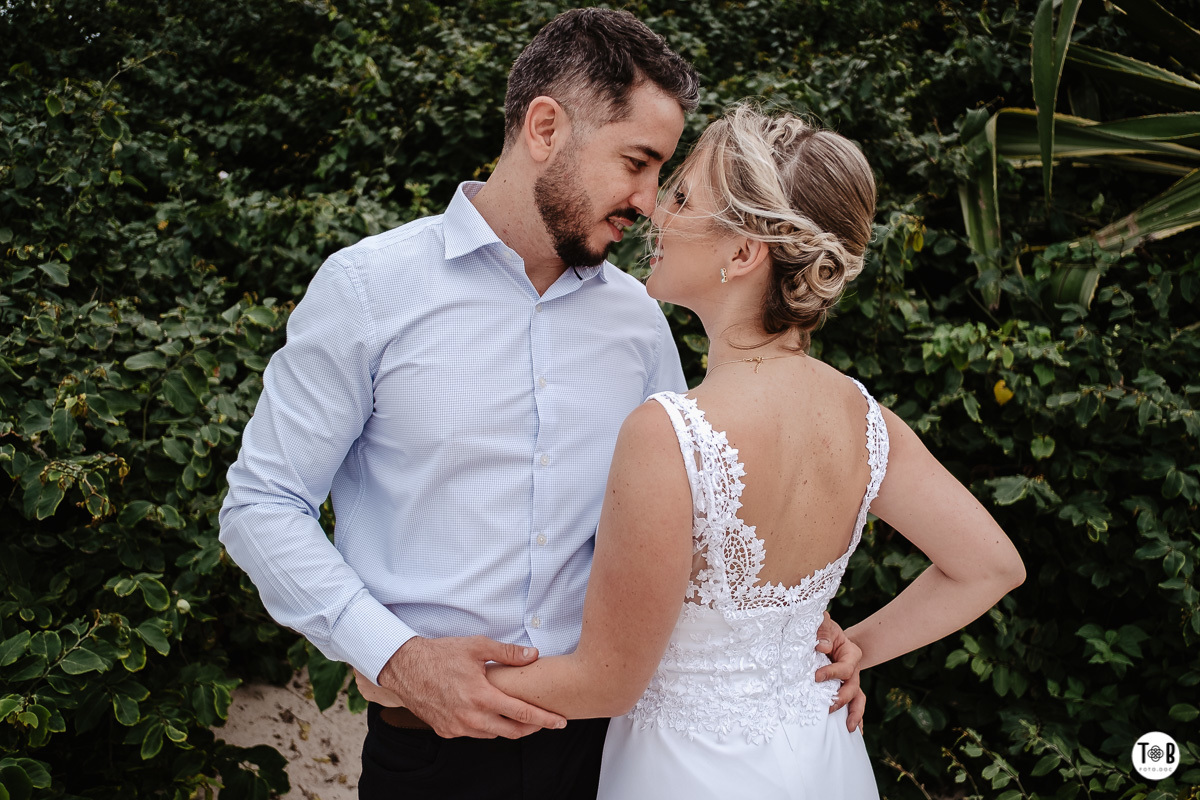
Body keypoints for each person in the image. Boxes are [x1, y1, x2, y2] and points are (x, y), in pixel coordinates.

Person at [219, 10, 864, 799]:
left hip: (609, 752)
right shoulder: (367, 289)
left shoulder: (639, 322)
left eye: (662, 173)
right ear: (546, 127)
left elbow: (697, 523)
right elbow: (262, 502)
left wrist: (797, 635)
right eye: (637, 161)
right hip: (430, 753)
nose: (649, 201)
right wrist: (396, 656)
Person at [364, 106, 1027, 796]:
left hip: (686, 770)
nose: (656, 212)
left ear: (743, 255)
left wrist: (403, 675)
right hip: (819, 758)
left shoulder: (671, 434)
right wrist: (857, 647)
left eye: (682, 198)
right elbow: (989, 565)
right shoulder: (866, 421)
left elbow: (608, 681)